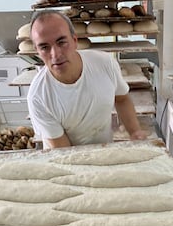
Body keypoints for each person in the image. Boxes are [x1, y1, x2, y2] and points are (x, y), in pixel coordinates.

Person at [27, 9, 147, 149]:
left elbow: (122, 99)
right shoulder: (39, 97)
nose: (55, 54)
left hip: (104, 150)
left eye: (61, 42)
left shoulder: (104, 63)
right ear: (37, 51)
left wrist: (134, 131)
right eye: (44, 47)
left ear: (74, 41)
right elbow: (64, 152)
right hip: (67, 160)